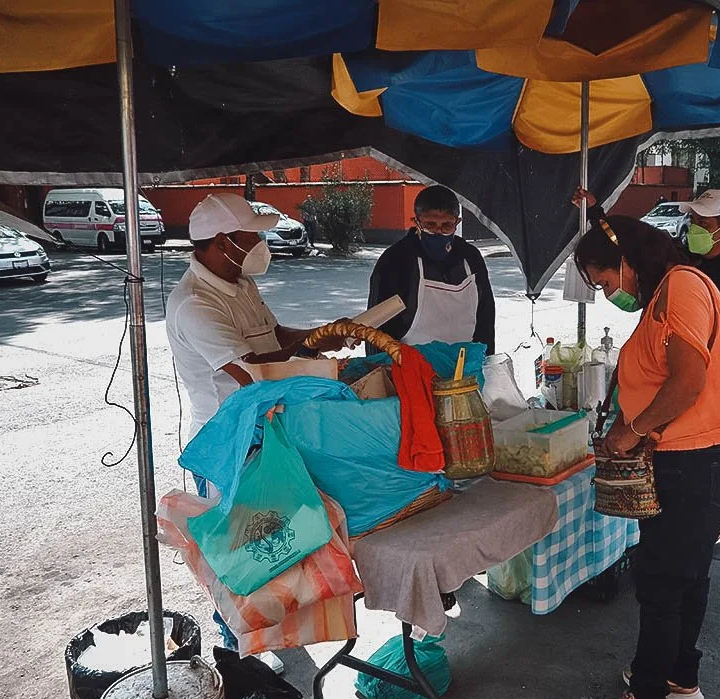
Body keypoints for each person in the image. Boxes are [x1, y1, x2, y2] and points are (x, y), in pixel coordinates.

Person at [572, 214, 720, 699]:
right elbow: (658, 380)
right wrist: (628, 424)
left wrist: (633, 432)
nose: (608, 295)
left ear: (626, 259)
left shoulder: (681, 287)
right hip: (704, 458)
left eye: (606, 282)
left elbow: (687, 382)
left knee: (659, 580)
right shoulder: (666, 296)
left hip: (698, 462)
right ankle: (678, 676)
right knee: (687, 573)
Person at [166, 192, 347, 670]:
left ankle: (271, 625)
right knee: (236, 550)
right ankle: (234, 650)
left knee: (272, 538)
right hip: (225, 443)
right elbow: (251, 370)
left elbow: (272, 337)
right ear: (223, 242)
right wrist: (317, 367)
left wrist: (318, 335)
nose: (258, 245)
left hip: (263, 430)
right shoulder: (194, 303)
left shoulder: (238, 281)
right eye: (251, 238)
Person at [573, 188, 720, 388]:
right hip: (676, 368)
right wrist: (596, 213)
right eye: (693, 220)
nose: (695, 227)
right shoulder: (679, 256)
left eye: (704, 223)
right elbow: (631, 243)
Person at [367, 184, 495, 351]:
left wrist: (486, 361)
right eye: (430, 225)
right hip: (408, 368)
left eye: (446, 225)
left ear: (457, 222)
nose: (438, 232)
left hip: (465, 366)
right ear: (417, 222)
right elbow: (375, 330)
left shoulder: (470, 258)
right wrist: (380, 372)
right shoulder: (395, 260)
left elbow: (485, 317)